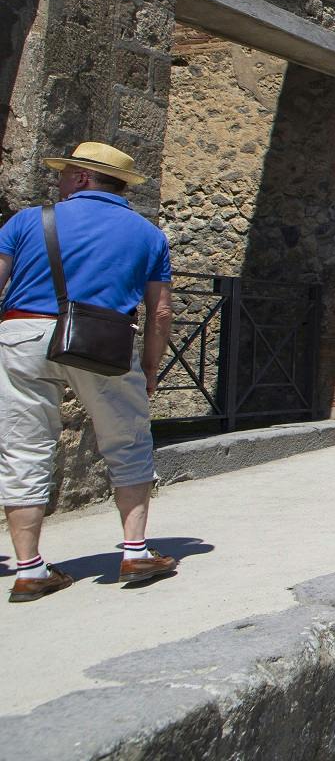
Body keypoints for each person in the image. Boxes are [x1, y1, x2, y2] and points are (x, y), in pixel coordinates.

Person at [0, 143, 177, 601]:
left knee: (23, 447)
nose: (58, 181)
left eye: (65, 173)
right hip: (103, 339)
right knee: (128, 440)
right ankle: (135, 551)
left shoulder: (27, 221)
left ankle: (29, 569)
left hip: (22, 334)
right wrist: (152, 366)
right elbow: (159, 313)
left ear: (81, 177)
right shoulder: (148, 235)